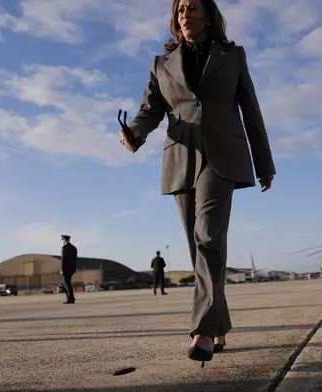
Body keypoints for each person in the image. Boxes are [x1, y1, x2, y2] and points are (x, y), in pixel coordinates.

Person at [119, 0, 276, 367]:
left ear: (208, 15)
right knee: (197, 246)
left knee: (208, 234)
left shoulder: (232, 55)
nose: (184, 14)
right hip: (181, 156)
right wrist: (135, 133)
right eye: (180, 10)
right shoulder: (161, 64)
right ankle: (218, 321)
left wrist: (264, 162)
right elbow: (150, 109)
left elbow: (250, 108)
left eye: (191, 7)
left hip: (222, 154)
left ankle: (202, 331)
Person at [60, 235, 77, 304]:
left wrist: (62, 269)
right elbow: (75, 259)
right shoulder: (74, 248)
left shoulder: (65, 248)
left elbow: (63, 259)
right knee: (67, 283)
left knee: (66, 283)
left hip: (66, 269)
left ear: (65, 240)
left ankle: (70, 298)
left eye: (63, 240)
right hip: (72, 268)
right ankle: (71, 297)